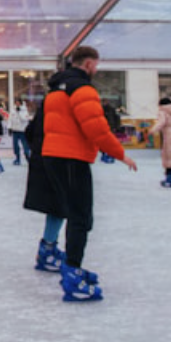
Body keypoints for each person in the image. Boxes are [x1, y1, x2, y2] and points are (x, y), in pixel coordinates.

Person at [41, 46, 137, 302]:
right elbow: (97, 128)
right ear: (88, 64)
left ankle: (73, 265)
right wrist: (120, 154)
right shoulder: (82, 89)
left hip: (55, 156)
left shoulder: (56, 89)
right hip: (71, 158)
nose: (97, 69)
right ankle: (72, 273)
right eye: (96, 64)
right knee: (80, 216)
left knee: (75, 213)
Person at [23, 98, 68, 275]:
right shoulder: (62, 105)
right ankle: (47, 249)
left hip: (45, 159)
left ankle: (49, 245)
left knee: (57, 206)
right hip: (57, 160)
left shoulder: (47, 105)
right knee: (60, 206)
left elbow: (29, 131)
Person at [8, 98, 31, 165]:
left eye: (18, 102)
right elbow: (10, 119)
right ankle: (17, 158)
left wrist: (19, 112)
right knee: (15, 145)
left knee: (25, 145)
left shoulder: (24, 110)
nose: (17, 104)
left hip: (22, 131)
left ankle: (28, 157)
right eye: (16, 102)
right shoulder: (13, 110)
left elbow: (25, 119)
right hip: (15, 130)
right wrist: (9, 127)